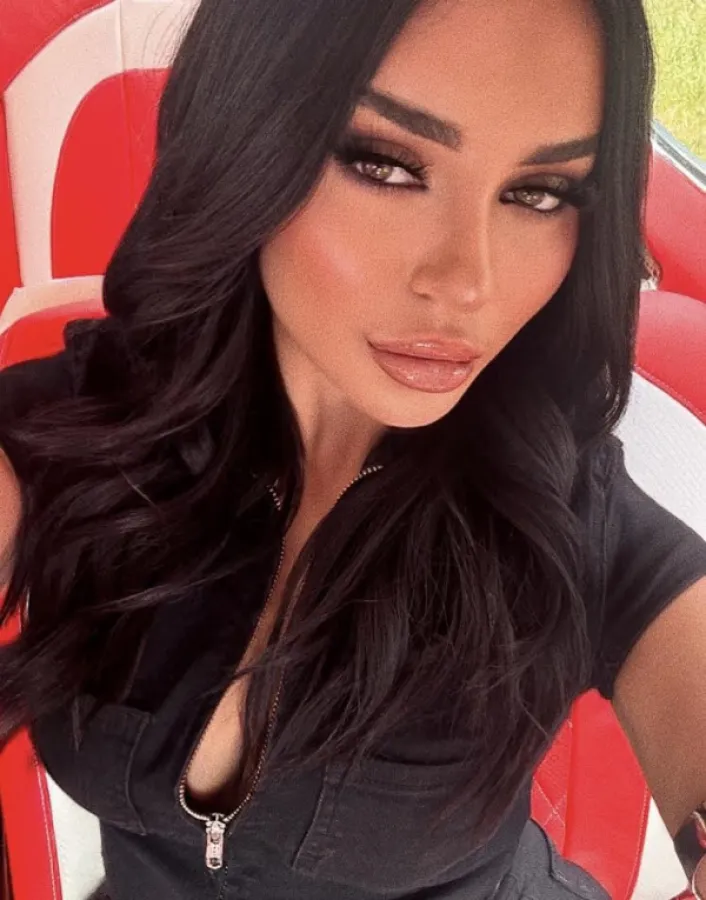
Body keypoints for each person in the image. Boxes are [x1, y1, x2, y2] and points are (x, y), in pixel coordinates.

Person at [1, 0, 705, 897]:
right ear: (247, 143)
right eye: (385, 164)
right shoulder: (77, 427)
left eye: (540, 193)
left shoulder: (567, 504)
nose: (468, 283)